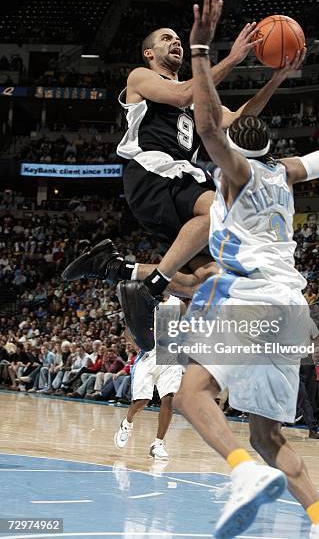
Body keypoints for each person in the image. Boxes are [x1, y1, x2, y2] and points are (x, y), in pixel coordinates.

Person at [118, 0, 319, 538]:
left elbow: (208, 124)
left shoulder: (236, 174)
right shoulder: (286, 173)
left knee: (190, 394)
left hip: (257, 299)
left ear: (235, 151)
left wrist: (205, 49)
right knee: (268, 434)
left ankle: (245, 476)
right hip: (291, 310)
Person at [62, 20, 305, 349]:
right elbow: (180, 94)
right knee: (223, 210)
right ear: (149, 53)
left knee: (207, 282)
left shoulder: (197, 98)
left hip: (175, 185)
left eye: (178, 39)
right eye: (166, 38)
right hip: (153, 170)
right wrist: (232, 58)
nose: (175, 41)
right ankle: (150, 289)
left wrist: (276, 78)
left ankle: (118, 269)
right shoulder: (141, 77)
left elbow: (238, 120)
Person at [114, 296, 183, 459]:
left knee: (169, 399)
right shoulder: (144, 300)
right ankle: (127, 423)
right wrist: (139, 346)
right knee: (142, 401)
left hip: (170, 355)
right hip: (149, 356)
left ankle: (158, 444)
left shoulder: (178, 303)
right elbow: (127, 331)